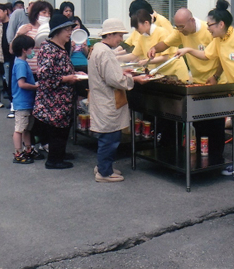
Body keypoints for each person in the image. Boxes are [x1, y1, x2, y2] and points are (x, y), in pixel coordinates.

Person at [176, 0, 234, 173]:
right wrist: (187, 50)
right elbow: (206, 55)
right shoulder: (219, 41)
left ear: (221, 24)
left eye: (210, 25)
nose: (207, 28)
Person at [148, 7, 226, 164]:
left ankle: (216, 161)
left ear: (191, 20)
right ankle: (199, 160)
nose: (179, 30)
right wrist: (154, 48)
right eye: (177, 26)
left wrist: (216, 76)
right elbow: (166, 43)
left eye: (181, 26)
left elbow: (223, 56)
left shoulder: (209, 30)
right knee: (199, 124)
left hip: (216, 82)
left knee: (215, 125)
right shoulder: (180, 32)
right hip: (197, 83)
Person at [89, 18, 149, 182]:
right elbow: (114, 79)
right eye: (119, 36)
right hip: (107, 100)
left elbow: (110, 73)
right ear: (110, 34)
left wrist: (124, 72)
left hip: (102, 99)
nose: (121, 40)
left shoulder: (98, 49)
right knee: (110, 137)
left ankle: (103, 166)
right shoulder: (105, 52)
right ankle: (104, 172)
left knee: (107, 136)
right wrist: (133, 79)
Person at [33, 14, 82, 169]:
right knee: (57, 130)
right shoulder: (50, 49)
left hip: (61, 99)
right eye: (67, 30)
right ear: (57, 31)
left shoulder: (58, 48)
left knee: (63, 128)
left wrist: (74, 74)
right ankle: (54, 160)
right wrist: (67, 79)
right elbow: (45, 76)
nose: (69, 33)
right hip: (54, 100)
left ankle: (59, 154)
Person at [119, 9, 189, 81]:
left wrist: (147, 61)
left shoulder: (162, 32)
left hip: (175, 71)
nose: (136, 30)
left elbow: (165, 57)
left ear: (146, 23)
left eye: (137, 27)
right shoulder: (142, 37)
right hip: (160, 73)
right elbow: (133, 55)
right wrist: (116, 58)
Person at [11, 34, 43, 164]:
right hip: (22, 102)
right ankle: (18, 152)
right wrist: (36, 87)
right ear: (24, 49)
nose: (32, 52)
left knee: (27, 128)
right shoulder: (20, 65)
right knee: (20, 128)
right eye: (31, 48)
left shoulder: (22, 63)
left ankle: (28, 149)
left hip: (28, 102)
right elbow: (22, 84)